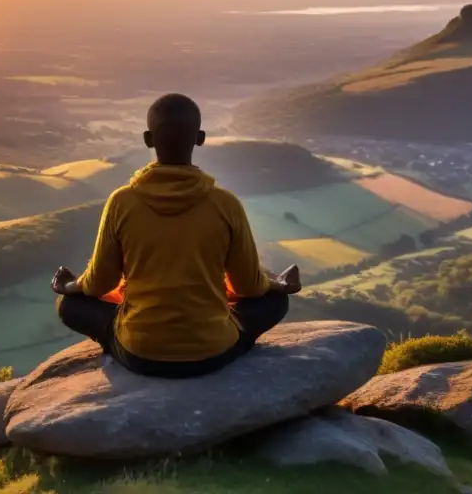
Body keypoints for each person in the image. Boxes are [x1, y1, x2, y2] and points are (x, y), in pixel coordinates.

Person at [52, 93, 301, 379]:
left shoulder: (122, 202)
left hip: (140, 354)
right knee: (276, 302)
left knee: (70, 306)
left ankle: (120, 342)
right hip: (213, 353)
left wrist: (71, 285)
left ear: (148, 139)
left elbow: (99, 284)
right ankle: (225, 337)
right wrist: (275, 284)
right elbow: (248, 286)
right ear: (200, 138)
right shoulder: (225, 204)